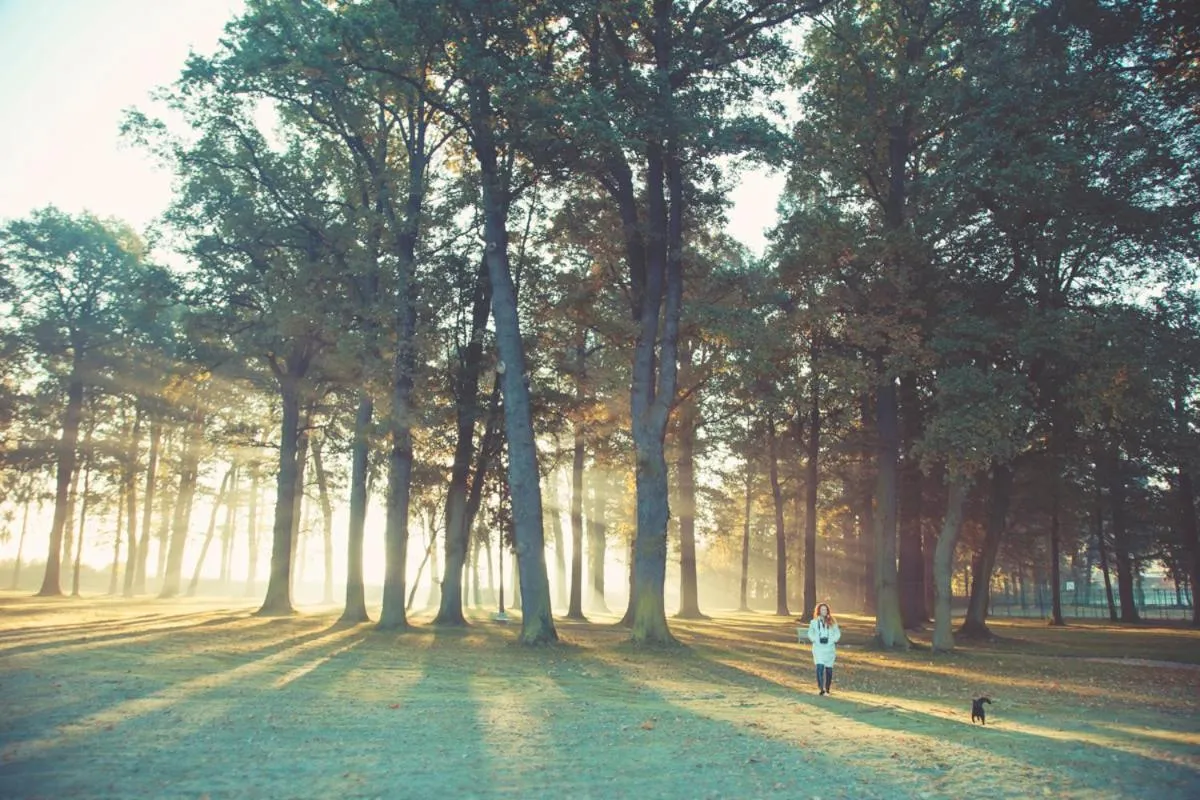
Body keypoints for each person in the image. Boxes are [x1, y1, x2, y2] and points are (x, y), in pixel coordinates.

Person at [803, 602, 841, 695]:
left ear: (828, 611)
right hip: (818, 648)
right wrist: (815, 639)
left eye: (825, 609)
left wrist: (832, 640)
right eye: (822, 609)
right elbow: (810, 633)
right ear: (818, 611)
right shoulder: (814, 622)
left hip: (829, 649)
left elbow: (837, 633)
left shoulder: (832, 622)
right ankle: (821, 689)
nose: (824, 611)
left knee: (829, 669)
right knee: (819, 666)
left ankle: (827, 688)